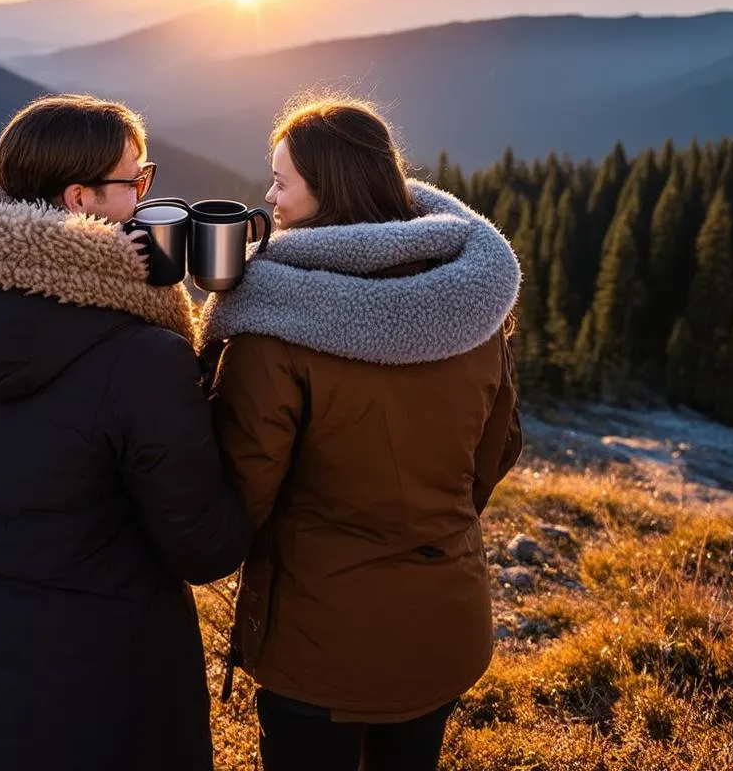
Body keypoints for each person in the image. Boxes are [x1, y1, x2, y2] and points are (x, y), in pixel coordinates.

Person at [0, 94, 252, 771]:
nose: (145, 200)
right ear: (80, 198)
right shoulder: (142, 355)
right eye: (135, 181)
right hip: (103, 712)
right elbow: (205, 550)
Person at [197, 96, 523, 771]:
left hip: (321, 643)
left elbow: (243, 492)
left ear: (330, 190)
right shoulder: (467, 302)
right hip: (444, 622)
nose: (269, 197)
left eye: (282, 181)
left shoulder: (274, 324)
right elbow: (497, 449)